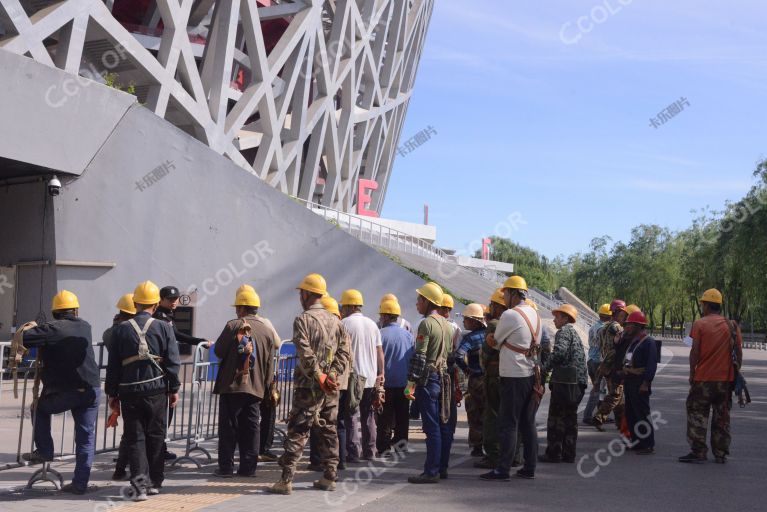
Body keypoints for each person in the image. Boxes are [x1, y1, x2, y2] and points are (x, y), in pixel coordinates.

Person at [269, 273, 350, 495]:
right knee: (329, 430)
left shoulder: (302, 320)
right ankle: (330, 476)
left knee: (298, 429)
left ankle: (286, 480)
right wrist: (332, 375)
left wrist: (318, 375)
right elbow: (345, 352)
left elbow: (304, 351)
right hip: (330, 387)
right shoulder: (336, 320)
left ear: (306, 294)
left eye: (301, 293)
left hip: (308, 386)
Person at [105, 281, 181, 501]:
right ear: (156, 305)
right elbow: (173, 362)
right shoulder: (164, 327)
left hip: (129, 392)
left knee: (135, 437)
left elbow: (113, 366)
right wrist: (173, 388)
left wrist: (112, 394)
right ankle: (155, 482)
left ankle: (139, 488)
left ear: (135, 303)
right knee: (156, 434)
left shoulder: (120, 330)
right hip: (156, 390)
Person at [19, 291, 100, 495]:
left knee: (39, 409)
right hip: (91, 389)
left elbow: (24, 337)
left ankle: (45, 451)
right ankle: (80, 484)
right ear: (76, 310)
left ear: (55, 312)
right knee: (86, 438)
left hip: (67, 391)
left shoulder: (53, 329)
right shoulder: (85, 325)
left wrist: (35, 327)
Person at [480, 275, 540, 481]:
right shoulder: (534, 314)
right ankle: (529, 466)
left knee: (508, 423)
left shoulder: (510, 315)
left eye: (505, 293)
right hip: (530, 373)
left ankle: (502, 469)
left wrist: (492, 341)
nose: (503, 296)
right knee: (527, 423)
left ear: (514, 294)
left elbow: (494, 343)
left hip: (512, 375)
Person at [212, 287, 277, 477]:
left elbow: (218, 351)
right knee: (251, 428)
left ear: (241, 308)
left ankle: (225, 468)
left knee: (229, 427)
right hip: (256, 388)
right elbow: (269, 363)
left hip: (231, 386)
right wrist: (266, 387)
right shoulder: (267, 330)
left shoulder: (233, 325)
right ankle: (248, 468)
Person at [679, 289, 742, 464]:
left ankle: (699, 451)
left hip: (703, 379)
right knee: (722, 416)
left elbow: (695, 352)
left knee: (697, 412)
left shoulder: (700, 324)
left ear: (706, 305)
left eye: (703, 304)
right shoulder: (732, 325)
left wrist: (692, 374)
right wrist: (735, 375)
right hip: (725, 381)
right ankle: (720, 453)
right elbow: (738, 352)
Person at [153, 285, 209, 460]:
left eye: (175, 299)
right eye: (170, 299)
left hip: (165, 371)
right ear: (160, 300)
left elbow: (176, 335)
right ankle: (156, 450)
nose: (173, 302)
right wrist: (198, 341)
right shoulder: (159, 317)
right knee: (163, 413)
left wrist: (199, 340)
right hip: (162, 373)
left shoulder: (167, 315)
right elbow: (176, 336)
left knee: (166, 413)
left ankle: (159, 447)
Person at [405, 282, 454, 484]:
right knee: (443, 426)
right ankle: (441, 467)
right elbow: (449, 354)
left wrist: (410, 384)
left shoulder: (426, 324)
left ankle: (431, 471)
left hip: (429, 379)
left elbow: (420, 356)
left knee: (431, 427)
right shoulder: (447, 325)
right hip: (443, 378)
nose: (417, 303)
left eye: (419, 300)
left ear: (427, 302)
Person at [540, 304, 587, 463]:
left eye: (557, 316)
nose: (554, 320)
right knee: (570, 418)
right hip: (577, 382)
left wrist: (544, 369)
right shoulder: (574, 333)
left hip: (566, 382)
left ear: (566, 318)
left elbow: (559, 353)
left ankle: (553, 453)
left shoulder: (564, 331)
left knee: (556, 417)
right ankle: (569, 453)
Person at [309, 295, 351, 471]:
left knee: (319, 422)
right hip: (343, 383)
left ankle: (318, 460)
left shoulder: (327, 332)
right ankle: (339, 460)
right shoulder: (344, 331)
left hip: (327, 384)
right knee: (338, 423)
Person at [341, 289, 384, 461]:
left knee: (351, 414)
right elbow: (379, 351)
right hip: (371, 377)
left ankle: (353, 453)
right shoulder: (372, 324)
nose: (342, 309)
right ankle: (370, 451)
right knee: (369, 415)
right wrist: (382, 373)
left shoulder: (344, 324)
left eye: (344, 305)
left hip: (353, 376)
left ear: (350, 305)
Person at [102, 294, 137, 481]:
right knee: (138, 431)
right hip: (144, 386)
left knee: (131, 431)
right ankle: (130, 468)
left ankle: (121, 468)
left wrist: (111, 392)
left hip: (124, 385)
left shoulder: (115, 331)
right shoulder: (138, 329)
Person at [377, 299, 414, 455]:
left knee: (384, 416)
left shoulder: (380, 334)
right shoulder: (408, 335)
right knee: (402, 415)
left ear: (385, 316)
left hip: (386, 383)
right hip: (405, 383)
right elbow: (413, 358)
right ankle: (401, 445)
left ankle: (384, 445)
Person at [474, 289, 506, 469]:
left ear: (499, 307)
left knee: (491, 416)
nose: (490, 308)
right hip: (505, 374)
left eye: (493, 305)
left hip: (493, 375)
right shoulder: (509, 322)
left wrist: (483, 362)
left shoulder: (494, 325)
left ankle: (493, 454)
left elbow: (487, 352)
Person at [621, 310, 658, 454]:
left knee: (642, 413)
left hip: (640, 383)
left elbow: (651, 365)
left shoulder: (648, 342)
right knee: (631, 413)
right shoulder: (633, 342)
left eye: (629, 325)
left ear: (638, 326)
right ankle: (636, 441)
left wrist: (646, 383)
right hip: (630, 382)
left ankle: (648, 444)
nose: (627, 328)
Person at [454, 303, 486, 457]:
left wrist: (466, 369)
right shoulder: (491, 334)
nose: (464, 322)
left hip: (476, 380)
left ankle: (477, 447)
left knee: (474, 413)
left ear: (474, 321)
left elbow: (458, 355)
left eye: (466, 319)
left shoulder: (470, 338)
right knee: (490, 412)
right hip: (492, 379)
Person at [592, 299, 629, 431]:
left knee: (620, 400)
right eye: (624, 313)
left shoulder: (604, 328)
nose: (625, 316)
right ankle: (599, 416)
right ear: (618, 312)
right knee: (616, 395)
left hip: (606, 365)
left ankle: (621, 426)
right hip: (615, 366)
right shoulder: (617, 327)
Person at [583, 303, 611, 425]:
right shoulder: (604, 329)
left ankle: (600, 414)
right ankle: (588, 416)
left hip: (591, 360)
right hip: (599, 362)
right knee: (597, 390)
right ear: (609, 316)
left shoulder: (593, 327)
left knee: (600, 389)